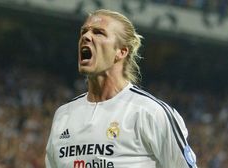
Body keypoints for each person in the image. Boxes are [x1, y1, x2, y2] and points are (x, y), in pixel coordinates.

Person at [45, 9, 197, 168]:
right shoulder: (64, 115)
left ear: (121, 51)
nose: (86, 36)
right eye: (84, 31)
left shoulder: (150, 112)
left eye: (98, 33)